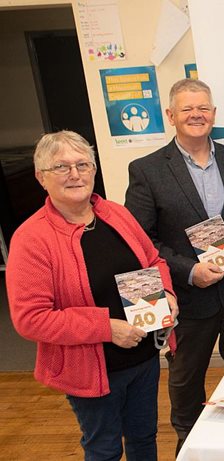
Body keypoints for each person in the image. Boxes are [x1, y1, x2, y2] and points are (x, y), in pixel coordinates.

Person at [7, 131, 178, 460]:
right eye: (61, 166)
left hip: (143, 358)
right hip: (91, 370)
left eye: (82, 164)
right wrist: (106, 328)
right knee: (104, 448)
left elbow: (154, 261)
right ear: (40, 177)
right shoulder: (31, 238)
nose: (75, 173)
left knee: (144, 438)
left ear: (93, 170)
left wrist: (167, 292)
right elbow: (30, 319)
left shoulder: (116, 214)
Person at [125, 78, 224, 453]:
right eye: (187, 108)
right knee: (187, 387)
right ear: (171, 115)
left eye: (203, 107)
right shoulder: (146, 170)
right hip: (189, 302)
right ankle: (191, 450)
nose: (196, 115)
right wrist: (188, 270)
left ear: (214, 114)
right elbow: (142, 241)